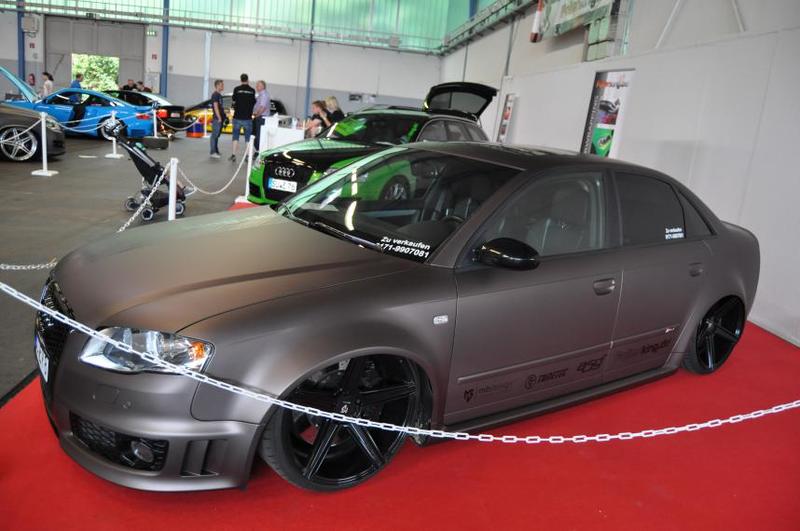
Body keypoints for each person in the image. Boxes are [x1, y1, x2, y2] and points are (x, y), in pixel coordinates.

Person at [230, 73, 256, 162]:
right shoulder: (252, 91)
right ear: (248, 80)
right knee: (248, 138)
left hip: (237, 117)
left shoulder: (236, 89)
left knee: (235, 136)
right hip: (247, 118)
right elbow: (253, 102)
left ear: (241, 80)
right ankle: (248, 156)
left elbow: (233, 100)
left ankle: (233, 155)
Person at [252, 80, 271, 151]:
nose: (256, 87)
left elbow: (262, 107)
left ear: (263, 86)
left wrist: (256, 115)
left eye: (258, 85)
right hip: (259, 117)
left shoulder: (264, 95)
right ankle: (258, 150)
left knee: (258, 135)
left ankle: (259, 151)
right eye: (256, 85)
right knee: (256, 135)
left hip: (261, 117)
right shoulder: (260, 94)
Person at [209, 79, 225, 159]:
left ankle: (216, 150)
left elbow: (220, 107)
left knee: (217, 135)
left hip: (220, 118)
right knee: (214, 135)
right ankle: (213, 152)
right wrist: (219, 117)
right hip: (217, 118)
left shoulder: (219, 95)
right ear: (218, 85)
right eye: (222, 85)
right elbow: (215, 107)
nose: (223, 86)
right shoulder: (215, 95)